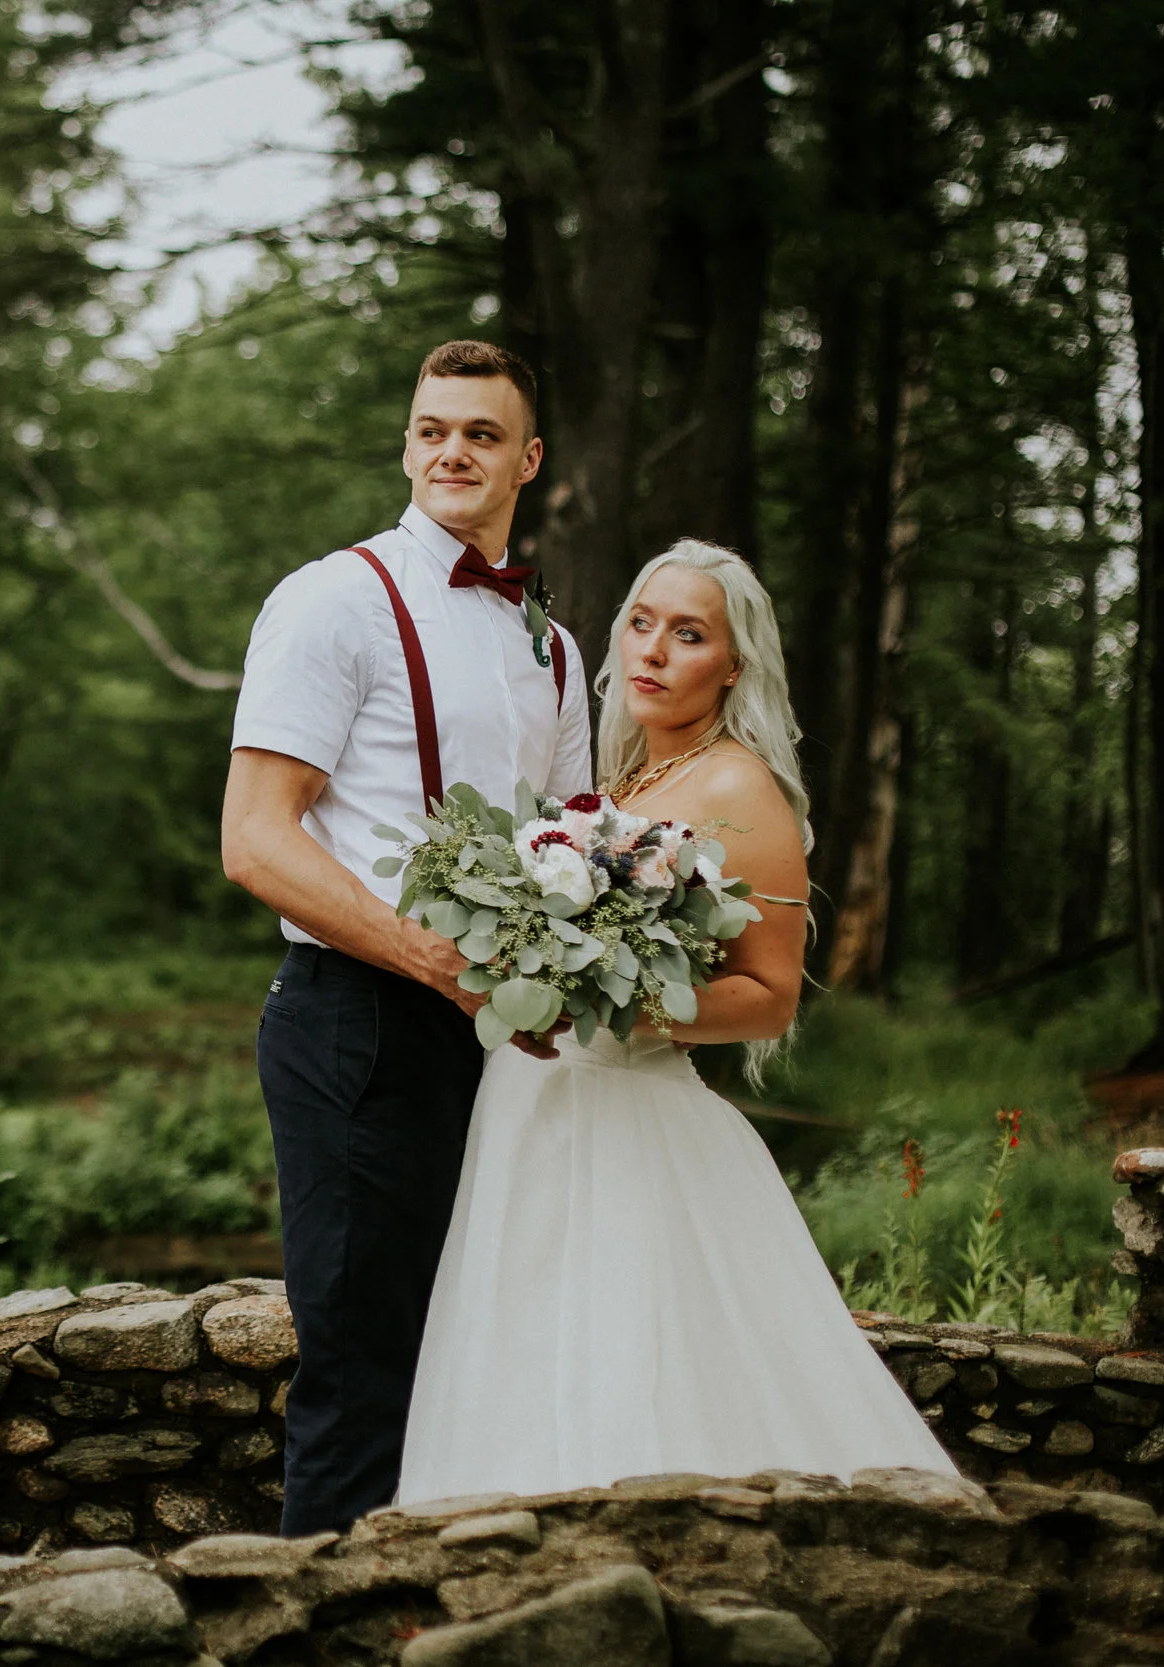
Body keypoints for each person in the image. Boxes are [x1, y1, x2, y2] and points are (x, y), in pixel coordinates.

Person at [394, 539, 958, 1502]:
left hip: (633, 1119)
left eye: (687, 634)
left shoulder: (743, 789)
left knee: (632, 1357)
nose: (653, 651)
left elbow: (771, 993)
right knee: (519, 1348)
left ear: (732, 667)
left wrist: (618, 1000)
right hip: (530, 1106)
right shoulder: (616, 787)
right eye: (642, 626)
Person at [221, 339, 591, 1536]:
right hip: (357, 1024)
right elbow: (256, 841)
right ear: (405, 443)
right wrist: (433, 957)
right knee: (363, 1369)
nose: (451, 450)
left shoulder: (554, 643)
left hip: (506, 1047)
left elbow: (572, 840)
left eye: (480, 434)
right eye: (432, 428)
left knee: (478, 1359)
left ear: (526, 460)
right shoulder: (334, 598)